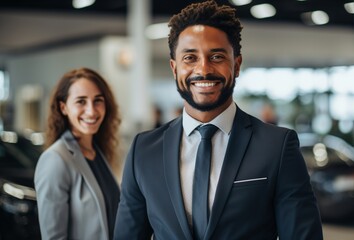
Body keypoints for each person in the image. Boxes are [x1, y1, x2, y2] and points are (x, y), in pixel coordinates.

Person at [114, 1, 323, 239]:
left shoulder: (277, 146)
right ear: (174, 68)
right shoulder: (144, 151)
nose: (203, 69)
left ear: (236, 65)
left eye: (216, 56)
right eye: (190, 58)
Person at [35, 67, 121, 240]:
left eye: (98, 101)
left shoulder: (98, 152)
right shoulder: (55, 159)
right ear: (63, 107)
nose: (91, 111)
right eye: (81, 101)